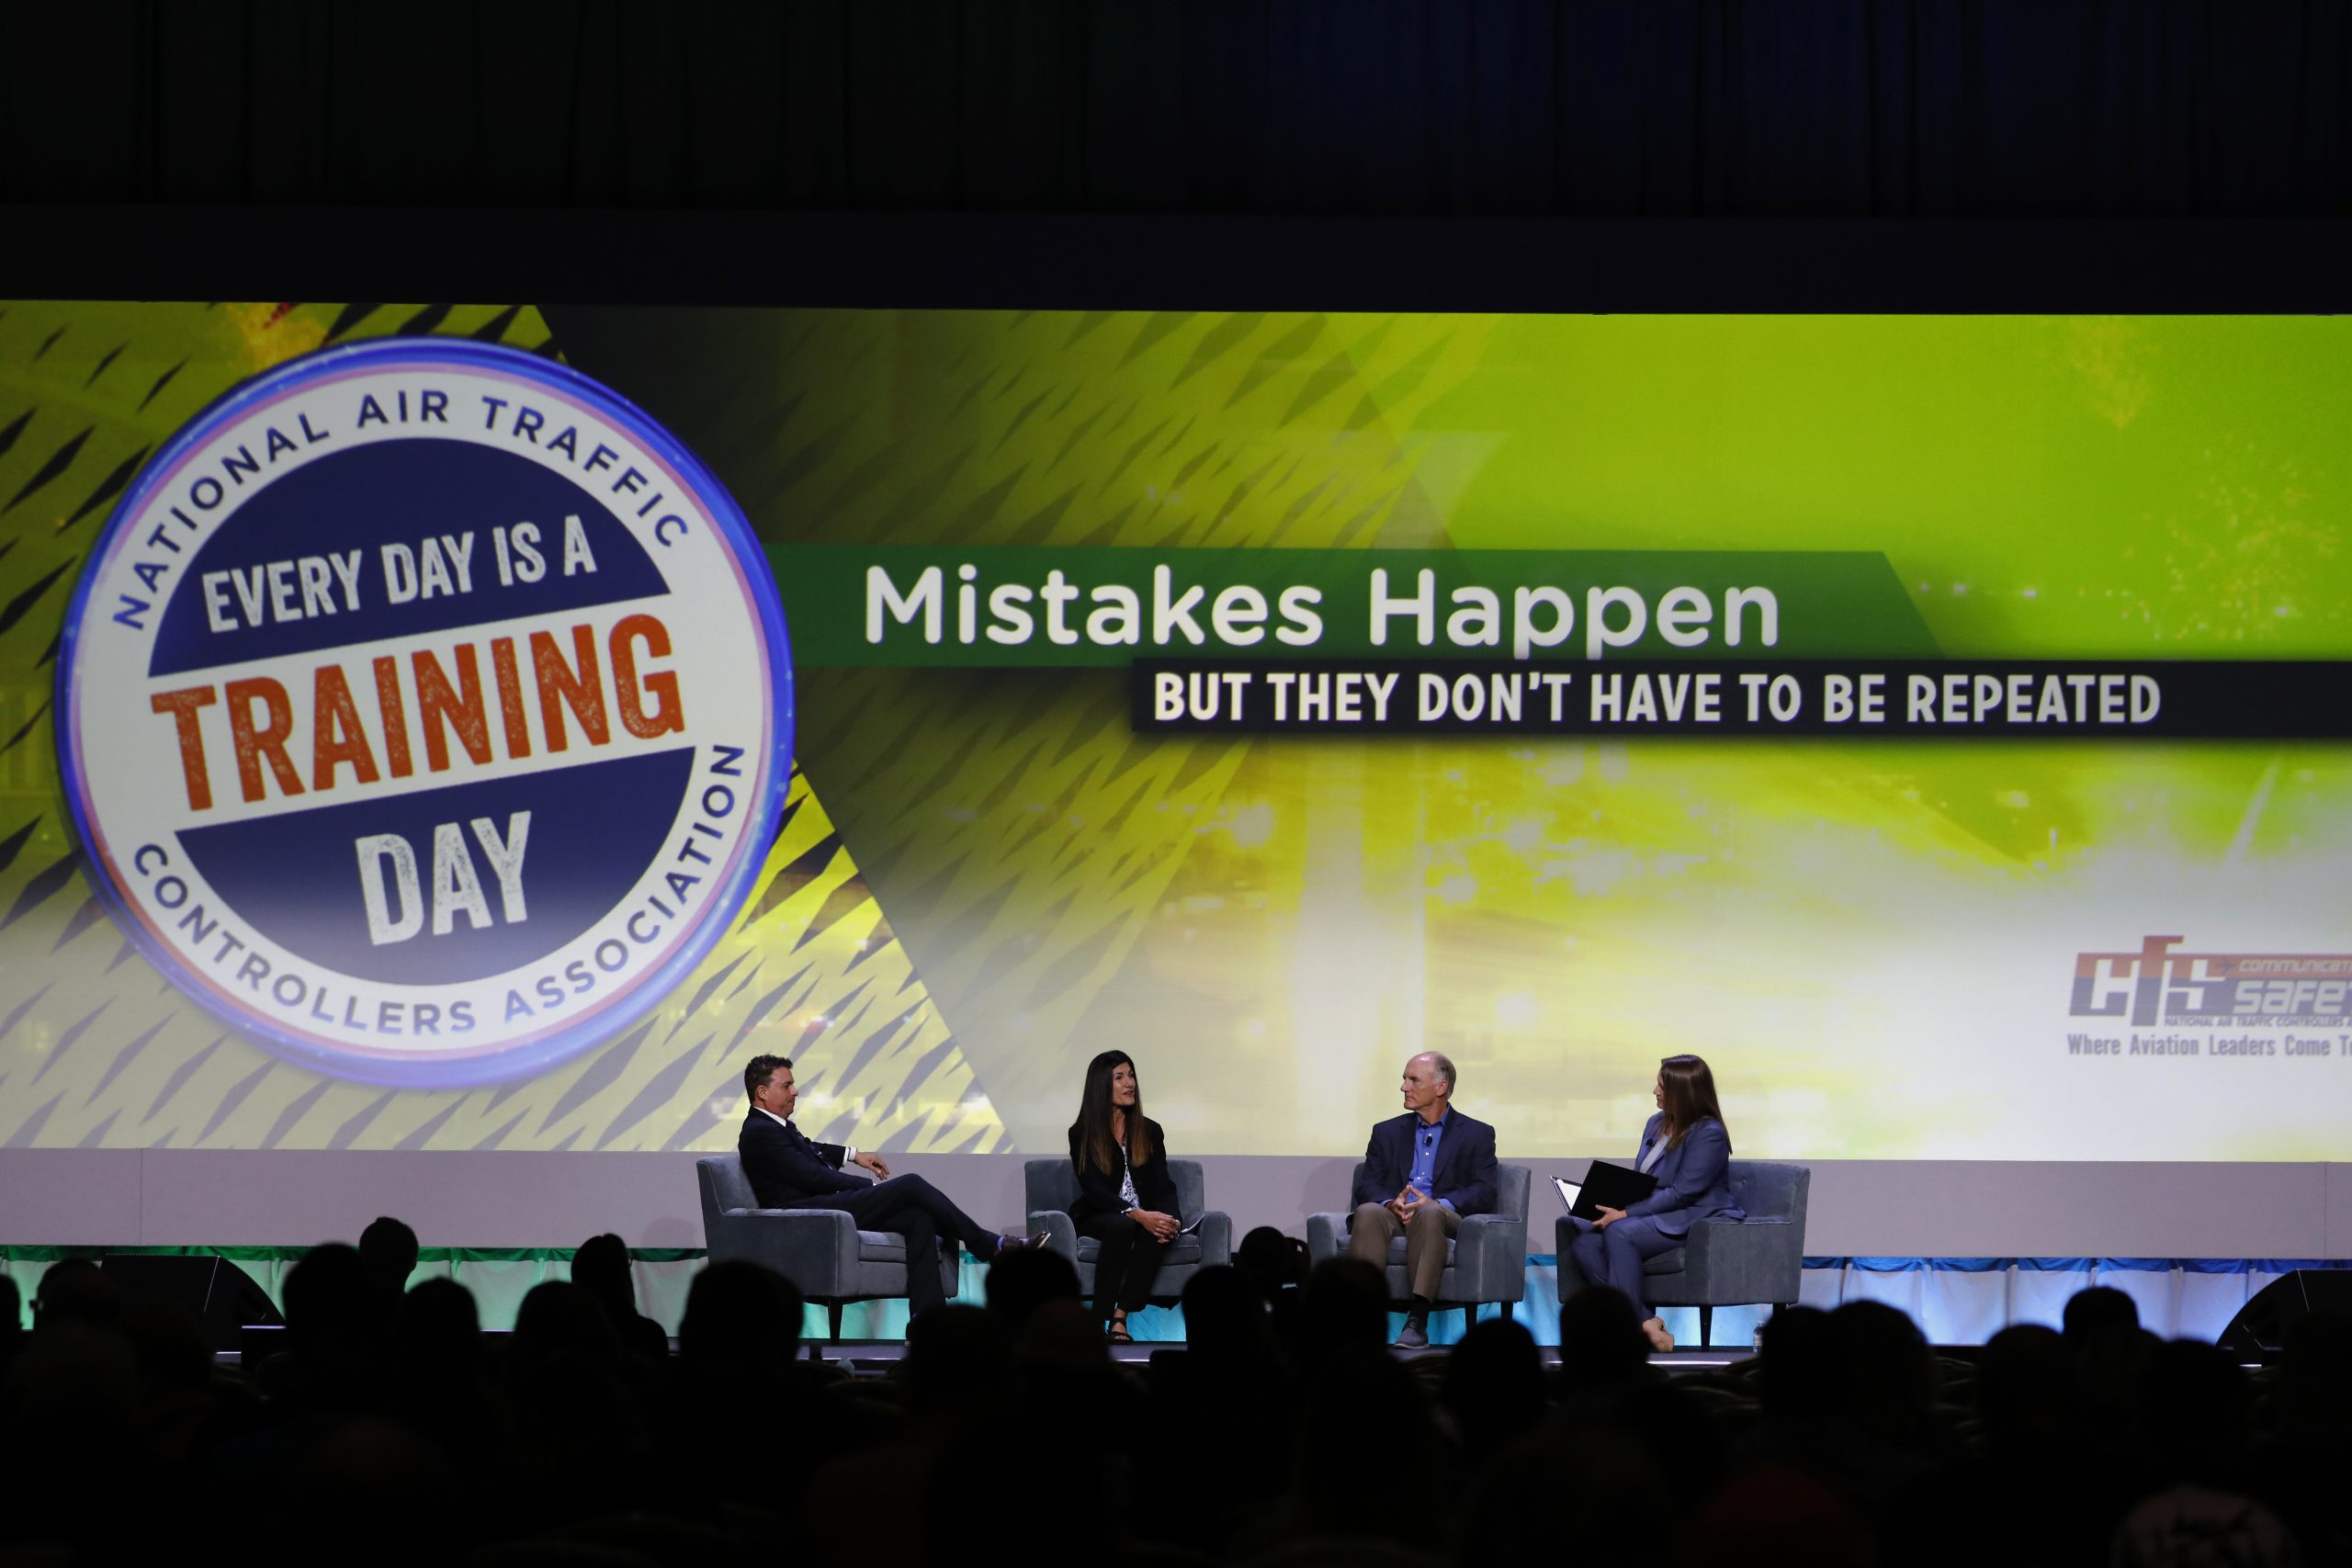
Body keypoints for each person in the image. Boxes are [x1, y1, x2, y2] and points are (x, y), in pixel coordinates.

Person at [736, 1053, 1043, 1319]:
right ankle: (991, 1246)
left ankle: (926, 1318)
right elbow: (810, 1175)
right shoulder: (760, 1131)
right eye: (787, 1085)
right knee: (909, 1185)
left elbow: (811, 1149)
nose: (796, 1091)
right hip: (808, 1214)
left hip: (823, 1206)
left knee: (918, 1218)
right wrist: (866, 1187)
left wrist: (855, 1155)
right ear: (762, 1092)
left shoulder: (773, 1127)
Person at [1565, 1054, 1744, 1352]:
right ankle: (1646, 1322)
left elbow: (1682, 1193)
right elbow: (1645, 1179)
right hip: (1656, 1212)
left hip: (1693, 1218)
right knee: (1584, 1244)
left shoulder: (1708, 1133)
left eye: (1662, 1086)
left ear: (1684, 1092)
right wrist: (1609, 1200)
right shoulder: (1655, 1123)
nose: (1655, 1091)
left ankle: (1631, 1332)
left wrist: (1625, 1213)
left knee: (1620, 1232)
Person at [1347, 1050, 1498, 1348]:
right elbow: (1368, 1184)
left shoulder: (1476, 1133)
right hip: (1396, 1213)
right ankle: (1362, 1319)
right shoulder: (1386, 1131)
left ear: (1441, 1087)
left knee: (1429, 1214)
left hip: (1443, 1217)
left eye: (1413, 1080)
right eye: (1405, 1079)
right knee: (1368, 1212)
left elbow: (1484, 1190)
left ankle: (1418, 1319)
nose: (1404, 1087)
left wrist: (1439, 1204)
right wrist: (1390, 1202)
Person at [1065, 1049, 1183, 1342]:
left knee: (1157, 1231)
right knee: (1122, 1225)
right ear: (1101, 1085)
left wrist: (1170, 1220)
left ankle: (1121, 1316)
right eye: (1119, 1077)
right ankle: (1099, 1317)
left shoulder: (1150, 1130)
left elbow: (1162, 1184)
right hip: (1099, 1213)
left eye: (1131, 1076)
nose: (1129, 1083)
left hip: (1142, 1216)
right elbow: (1095, 1190)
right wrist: (1137, 1214)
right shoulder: (1082, 1133)